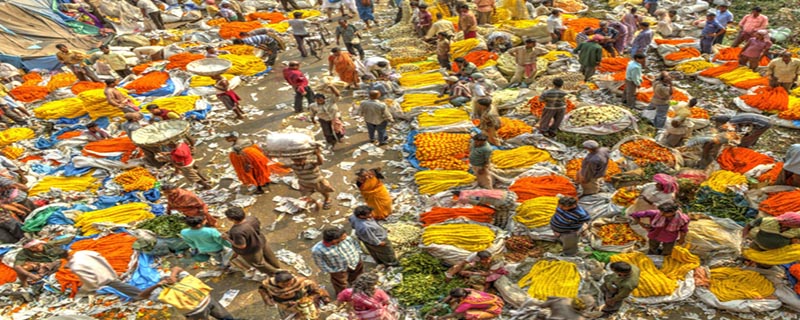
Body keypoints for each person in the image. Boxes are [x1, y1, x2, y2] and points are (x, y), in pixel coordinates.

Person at [139, 266, 234, 320]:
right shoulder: (165, 293)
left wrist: (172, 276)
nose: (168, 280)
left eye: (168, 278)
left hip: (207, 304)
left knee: (226, 318)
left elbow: (176, 268)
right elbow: (142, 295)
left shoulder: (183, 281)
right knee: (226, 317)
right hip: (200, 309)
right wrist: (158, 285)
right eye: (166, 279)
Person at [223, 207, 281, 276]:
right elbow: (252, 228)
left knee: (259, 263)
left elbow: (242, 245)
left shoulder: (236, 231)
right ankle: (277, 266)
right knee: (269, 256)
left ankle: (276, 273)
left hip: (252, 250)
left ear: (231, 219)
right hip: (261, 241)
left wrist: (227, 238)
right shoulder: (252, 219)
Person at [66, 250, 143, 299]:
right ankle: (138, 294)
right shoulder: (80, 253)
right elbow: (98, 254)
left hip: (101, 275)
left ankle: (140, 294)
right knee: (118, 285)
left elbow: (89, 280)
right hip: (105, 268)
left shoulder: (75, 266)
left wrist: (87, 290)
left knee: (119, 285)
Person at [312, 227, 363, 295]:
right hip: (338, 269)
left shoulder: (346, 239)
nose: (344, 237)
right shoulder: (318, 249)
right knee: (340, 284)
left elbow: (355, 244)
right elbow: (320, 263)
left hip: (355, 262)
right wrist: (332, 270)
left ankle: (358, 289)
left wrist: (358, 253)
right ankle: (343, 296)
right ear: (333, 240)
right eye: (341, 238)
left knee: (357, 277)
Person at [259, 270, 330, 319]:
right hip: (286, 306)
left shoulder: (303, 282)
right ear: (277, 283)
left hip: (305, 303)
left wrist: (309, 298)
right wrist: (269, 301)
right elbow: (263, 292)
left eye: (290, 283)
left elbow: (316, 291)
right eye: (284, 284)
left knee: (312, 316)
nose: (288, 286)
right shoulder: (268, 285)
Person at [438, 288, 504, 319]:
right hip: (495, 300)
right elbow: (451, 295)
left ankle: (488, 316)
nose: (451, 297)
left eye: (454, 297)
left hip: (494, 309)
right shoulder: (466, 290)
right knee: (454, 304)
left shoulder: (467, 304)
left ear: (461, 296)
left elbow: (453, 314)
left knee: (466, 315)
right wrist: (442, 303)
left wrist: (438, 318)